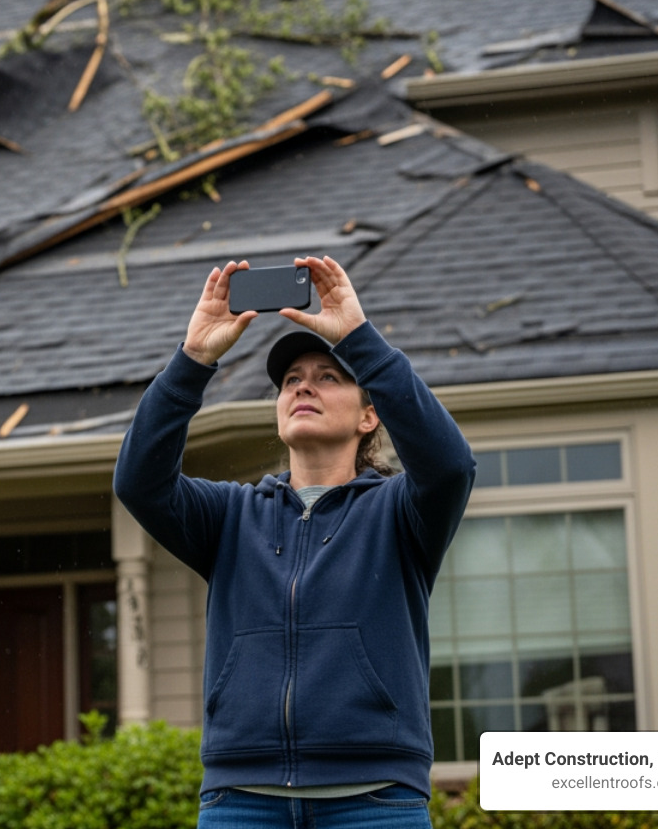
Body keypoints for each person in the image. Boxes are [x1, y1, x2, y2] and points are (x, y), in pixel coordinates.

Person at [113, 256, 476, 828]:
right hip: (240, 802)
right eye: (291, 381)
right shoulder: (231, 516)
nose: (303, 385)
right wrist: (195, 358)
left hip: (376, 800)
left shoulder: (400, 513)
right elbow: (138, 483)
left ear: (368, 417)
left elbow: (451, 466)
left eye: (328, 377)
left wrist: (358, 340)